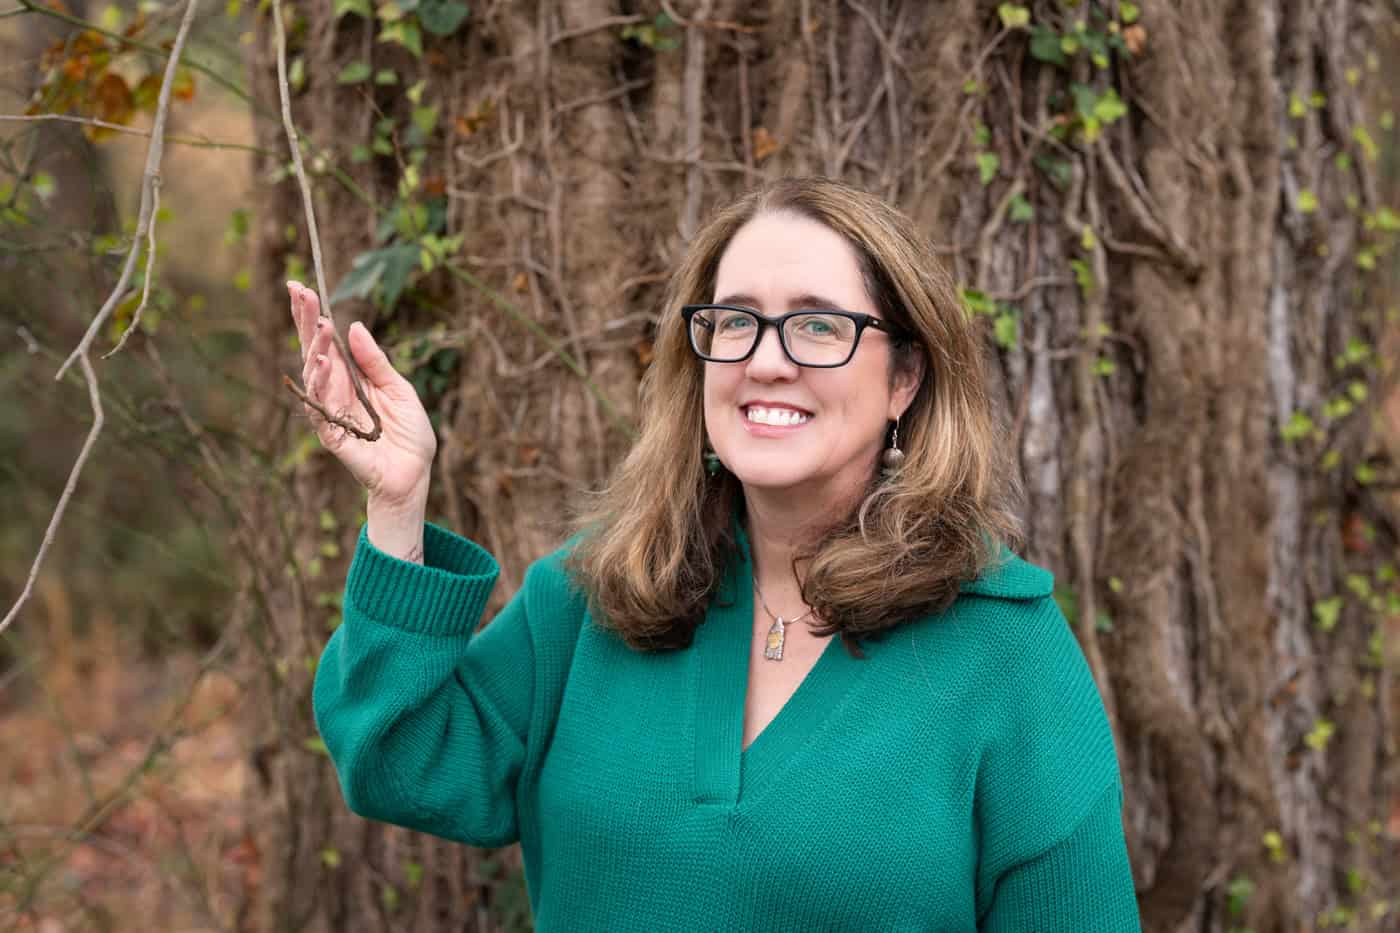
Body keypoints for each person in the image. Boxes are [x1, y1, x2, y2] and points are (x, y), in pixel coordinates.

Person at [289, 177, 1141, 931]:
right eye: (735, 322)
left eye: (817, 326)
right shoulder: (598, 598)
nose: (766, 362)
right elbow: (398, 757)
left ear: (905, 378)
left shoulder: (1008, 657)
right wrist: (398, 503)